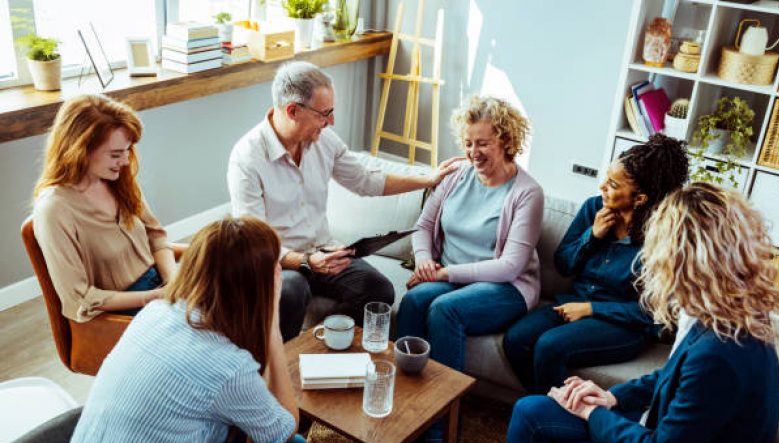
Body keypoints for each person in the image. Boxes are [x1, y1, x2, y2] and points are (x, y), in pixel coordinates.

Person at [492, 183, 779, 443]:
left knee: (532, 429)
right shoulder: (733, 313)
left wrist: (591, 411)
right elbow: (671, 376)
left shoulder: (719, 353)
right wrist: (611, 396)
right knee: (532, 411)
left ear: (683, 259)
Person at [48, 217, 307, 443]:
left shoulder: (153, 314)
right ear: (259, 286)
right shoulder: (228, 367)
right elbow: (284, 431)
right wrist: (272, 328)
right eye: (276, 271)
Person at [227, 61, 458, 340]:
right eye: (325, 113)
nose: (331, 121)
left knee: (379, 290)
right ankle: (282, 368)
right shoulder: (247, 158)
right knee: (291, 290)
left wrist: (429, 178)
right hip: (279, 262)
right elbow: (254, 244)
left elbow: (366, 180)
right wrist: (307, 261)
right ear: (293, 111)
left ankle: (321, 345)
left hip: (324, 251)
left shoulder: (324, 141)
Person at [502, 133, 689, 396]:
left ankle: (551, 418)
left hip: (625, 326)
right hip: (573, 302)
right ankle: (552, 409)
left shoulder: (662, 237)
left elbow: (651, 313)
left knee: (550, 346)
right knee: (516, 340)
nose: (602, 187)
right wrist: (592, 236)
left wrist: (592, 309)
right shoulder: (593, 209)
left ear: (639, 198)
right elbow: (563, 264)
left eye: (613, 184)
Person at [396, 95, 544, 394]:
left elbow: (510, 266)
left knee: (444, 310)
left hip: (505, 287)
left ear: (506, 141)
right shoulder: (456, 177)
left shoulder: (528, 193)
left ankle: (440, 427)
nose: (473, 152)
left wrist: (444, 274)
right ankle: (407, 401)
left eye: (483, 143)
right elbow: (423, 225)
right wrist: (425, 260)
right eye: (468, 143)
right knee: (413, 300)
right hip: (451, 276)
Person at [32, 94, 177, 321]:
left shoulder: (118, 179)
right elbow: (80, 299)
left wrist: (172, 281)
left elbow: (156, 237)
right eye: (115, 154)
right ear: (80, 150)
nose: (126, 161)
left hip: (159, 287)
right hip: (121, 313)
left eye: (127, 151)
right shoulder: (55, 210)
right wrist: (155, 297)